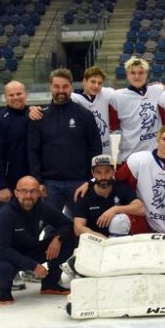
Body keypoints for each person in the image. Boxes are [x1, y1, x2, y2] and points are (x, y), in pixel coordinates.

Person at [27, 68, 102, 217]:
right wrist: (38, 181)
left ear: (71, 88)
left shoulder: (84, 115)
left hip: (79, 182)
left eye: (65, 86)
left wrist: (91, 180)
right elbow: (33, 152)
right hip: (50, 184)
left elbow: (95, 148)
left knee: (81, 226)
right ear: (50, 87)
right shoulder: (40, 116)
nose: (61, 90)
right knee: (50, 227)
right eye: (56, 86)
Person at [0, 176, 75, 304]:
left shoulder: (41, 208)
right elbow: (1, 249)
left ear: (39, 193)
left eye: (33, 191)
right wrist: (33, 266)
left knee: (69, 239)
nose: (28, 195)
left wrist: (58, 239)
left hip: (31, 250)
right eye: (24, 191)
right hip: (8, 257)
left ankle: (50, 284)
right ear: (16, 193)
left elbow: (66, 224)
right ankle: (4, 291)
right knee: (2, 269)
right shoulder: (6, 215)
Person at [115, 125, 165, 235]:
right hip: (143, 221)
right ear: (158, 140)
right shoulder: (138, 160)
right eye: (164, 139)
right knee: (118, 222)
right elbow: (118, 183)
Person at [109, 56, 164, 165]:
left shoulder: (158, 90)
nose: (137, 76)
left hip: (155, 157)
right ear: (127, 75)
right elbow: (113, 125)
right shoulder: (117, 97)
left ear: (146, 74)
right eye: (133, 73)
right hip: (128, 158)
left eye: (141, 72)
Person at [73, 155, 144, 238]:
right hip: (94, 242)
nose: (103, 177)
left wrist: (115, 209)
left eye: (107, 172)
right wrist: (101, 239)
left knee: (121, 219)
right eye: (98, 172)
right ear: (93, 173)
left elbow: (141, 209)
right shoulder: (84, 194)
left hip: (120, 242)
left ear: (113, 171)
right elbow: (78, 228)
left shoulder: (121, 188)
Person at [0, 81, 31, 207]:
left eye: (19, 93)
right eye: (11, 95)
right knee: (8, 224)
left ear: (26, 95)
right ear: (5, 97)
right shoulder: (0, 121)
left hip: (33, 183)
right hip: (9, 185)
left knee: (33, 223)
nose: (16, 97)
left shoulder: (35, 115)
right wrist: (0, 186)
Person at [72, 66, 115, 155]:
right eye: (93, 82)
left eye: (100, 83)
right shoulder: (73, 99)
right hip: (85, 152)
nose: (96, 86)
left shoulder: (106, 94)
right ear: (84, 81)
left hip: (105, 152)